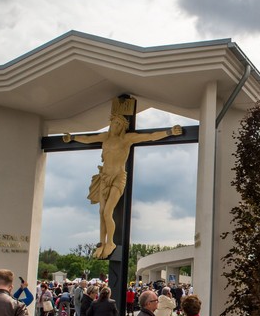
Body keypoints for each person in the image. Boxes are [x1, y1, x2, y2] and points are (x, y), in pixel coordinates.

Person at [63, 109, 183, 259]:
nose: (116, 126)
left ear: (123, 127)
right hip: (104, 177)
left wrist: (169, 132)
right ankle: (102, 243)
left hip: (118, 177)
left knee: (108, 211)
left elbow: (149, 136)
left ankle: (111, 243)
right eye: (114, 123)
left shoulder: (126, 139)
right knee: (101, 212)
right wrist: (72, 137)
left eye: (119, 124)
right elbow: (88, 139)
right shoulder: (105, 137)